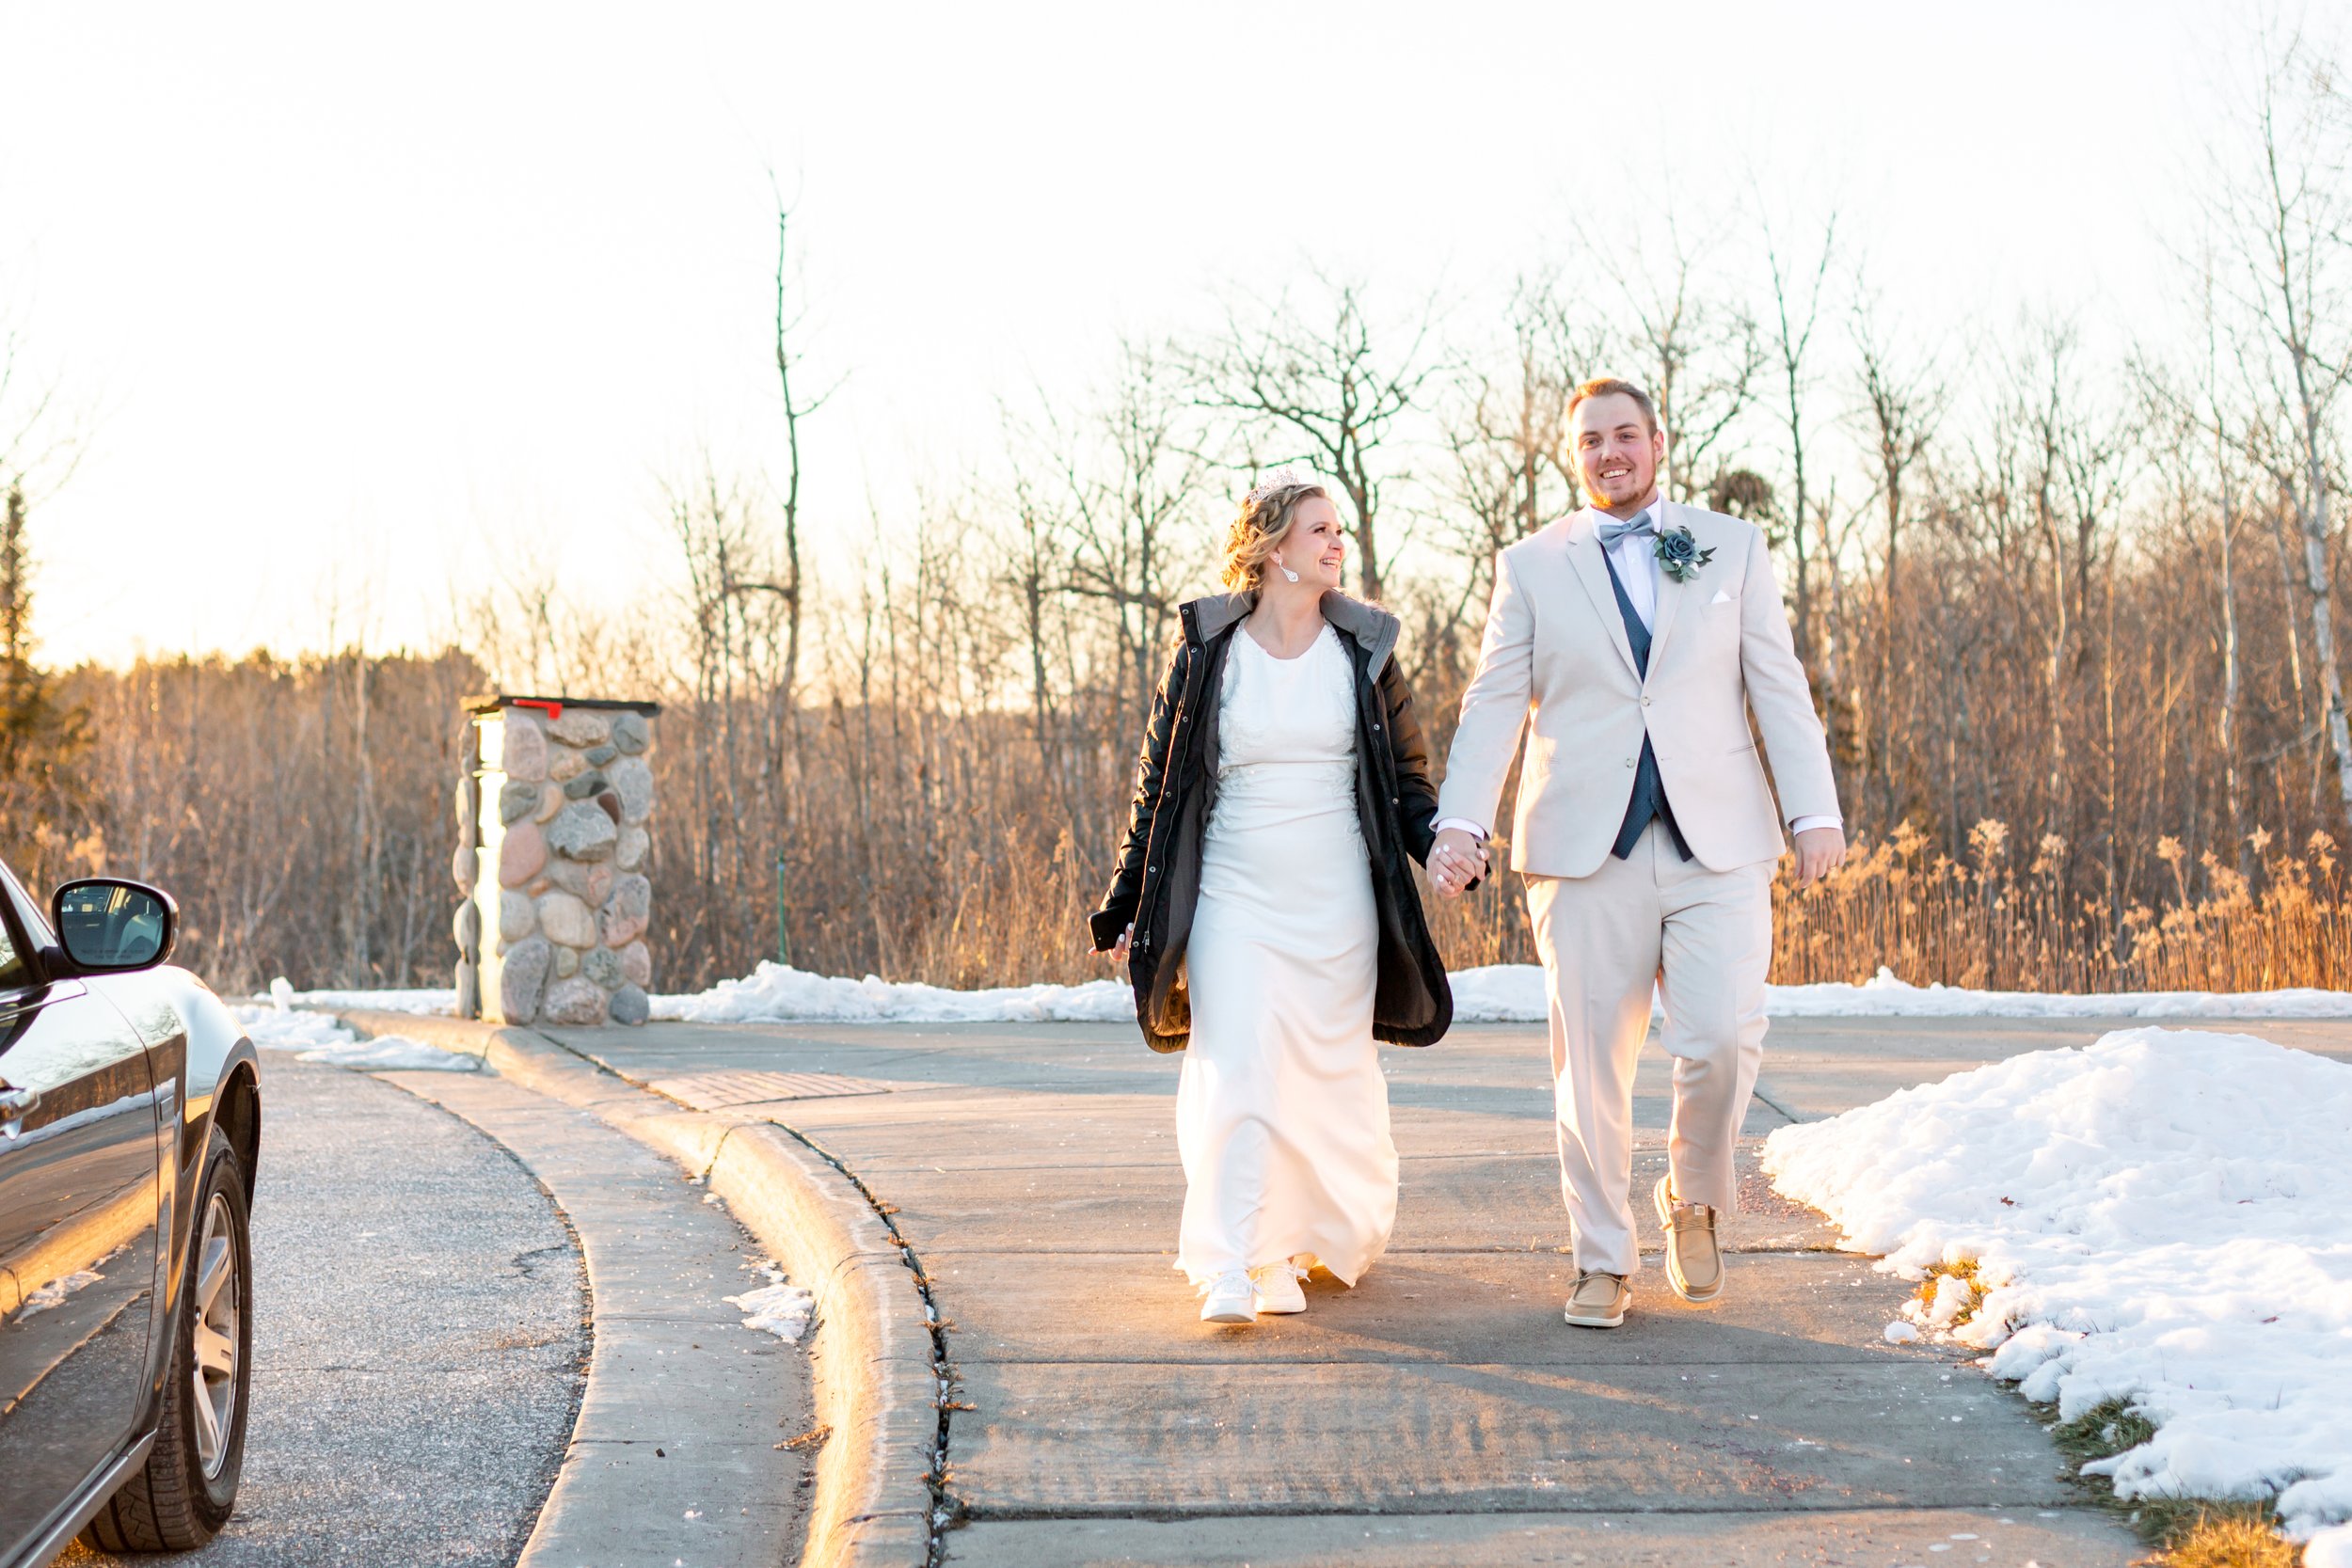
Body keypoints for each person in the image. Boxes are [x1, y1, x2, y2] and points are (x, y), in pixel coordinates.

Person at [1429, 379, 1845, 1329]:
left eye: (1624, 434)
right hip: (1583, 850)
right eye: (1590, 440)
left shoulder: (1731, 545)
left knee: (1723, 1039)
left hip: (1719, 842)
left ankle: (1693, 1197)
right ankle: (1602, 1257)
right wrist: (1461, 822)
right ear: (1573, 455)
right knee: (1590, 1071)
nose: (1609, 452)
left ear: (1658, 441)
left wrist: (1812, 808)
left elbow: (1777, 684)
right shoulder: (1531, 565)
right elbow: (1493, 703)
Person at [1090, 473, 1466, 1325]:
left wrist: (1443, 842)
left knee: (1319, 1080)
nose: (1337, 543)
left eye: (1338, 530)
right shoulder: (1206, 652)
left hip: (1336, 901)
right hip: (1234, 893)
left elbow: (1407, 779)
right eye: (1319, 529)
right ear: (1270, 548)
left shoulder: (1364, 650)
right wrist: (1127, 899)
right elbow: (1158, 788)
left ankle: (1289, 1247)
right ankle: (1235, 1258)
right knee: (1242, 1066)